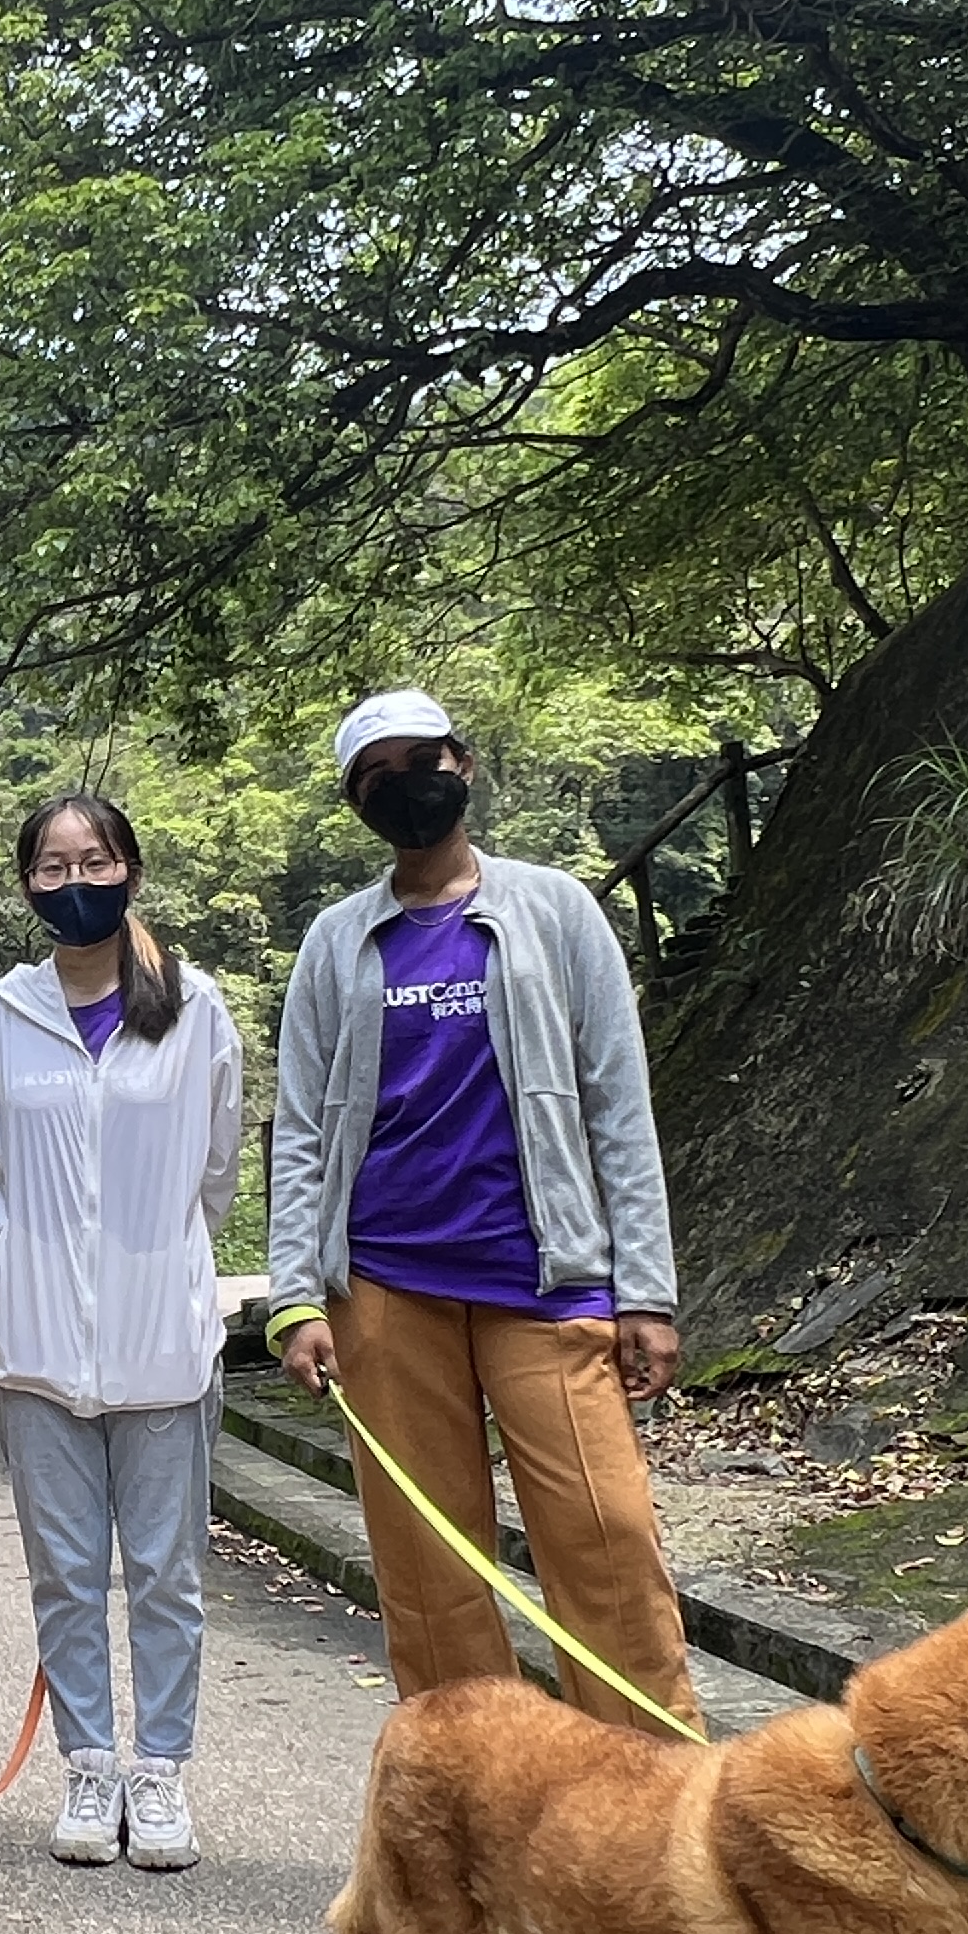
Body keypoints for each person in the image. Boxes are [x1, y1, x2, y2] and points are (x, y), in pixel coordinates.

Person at [264, 690, 703, 1733]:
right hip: (386, 1285)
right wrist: (295, 1295)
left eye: (421, 761)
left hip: (544, 1282)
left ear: (463, 763)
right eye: (377, 777)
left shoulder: (555, 911)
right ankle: (477, 1801)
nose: (404, 785)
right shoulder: (339, 943)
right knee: (429, 1572)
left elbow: (617, 1107)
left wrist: (645, 1290)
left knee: (607, 1542)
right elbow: (298, 1130)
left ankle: (661, 1807)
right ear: (358, 802)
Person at [0, 793, 244, 1870]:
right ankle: (88, 1764)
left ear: (132, 873)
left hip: (165, 1343)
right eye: (53, 867)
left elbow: (215, 1176)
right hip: (34, 1353)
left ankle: (159, 1773)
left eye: (95, 861)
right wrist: (35, 1251)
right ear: (27, 886)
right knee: (66, 1572)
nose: (76, 883)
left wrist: (142, 1263)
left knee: (165, 1571)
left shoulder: (195, 1008)